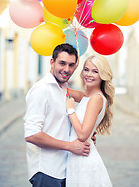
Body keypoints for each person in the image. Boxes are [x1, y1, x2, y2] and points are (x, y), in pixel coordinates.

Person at [24, 43, 92, 187]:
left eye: (71, 65)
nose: (66, 69)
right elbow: (32, 134)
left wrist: (86, 134)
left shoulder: (63, 88)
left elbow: (61, 123)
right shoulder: (41, 90)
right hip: (46, 171)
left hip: (64, 169)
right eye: (62, 63)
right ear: (52, 62)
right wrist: (70, 146)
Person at [66, 54, 115, 187]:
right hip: (77, 159)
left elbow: (83, 135)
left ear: (103, 75)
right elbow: (64, 90)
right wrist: (70, 68)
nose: (89, 74)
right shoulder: (86, 96)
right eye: (86, 70)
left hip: (84, 162)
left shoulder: (96, 99)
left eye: (95, 71)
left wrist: (71, 110)